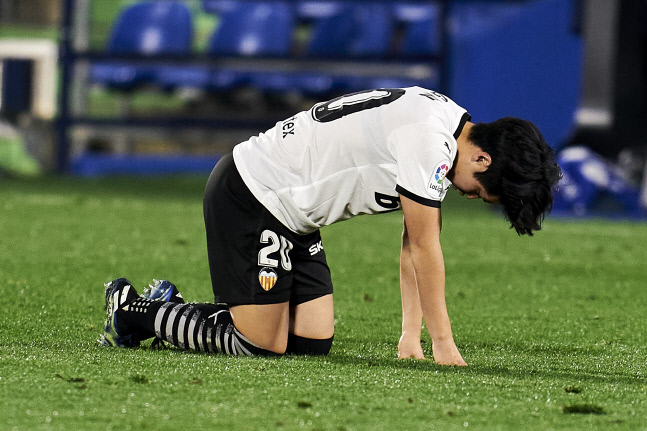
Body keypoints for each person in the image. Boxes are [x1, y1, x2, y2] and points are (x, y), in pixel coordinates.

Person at [99, 87, 562, 365]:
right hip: (256, 193)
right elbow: (424, 248)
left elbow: (416, 246)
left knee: (309, 343)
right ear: (483, 157)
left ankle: (172, 308)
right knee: (261, 346)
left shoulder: (444, 127)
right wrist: (443, 342)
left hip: (294, 216)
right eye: (481, 190)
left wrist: (410, 334)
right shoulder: (431, 143)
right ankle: (135, 312)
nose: (470, 196)